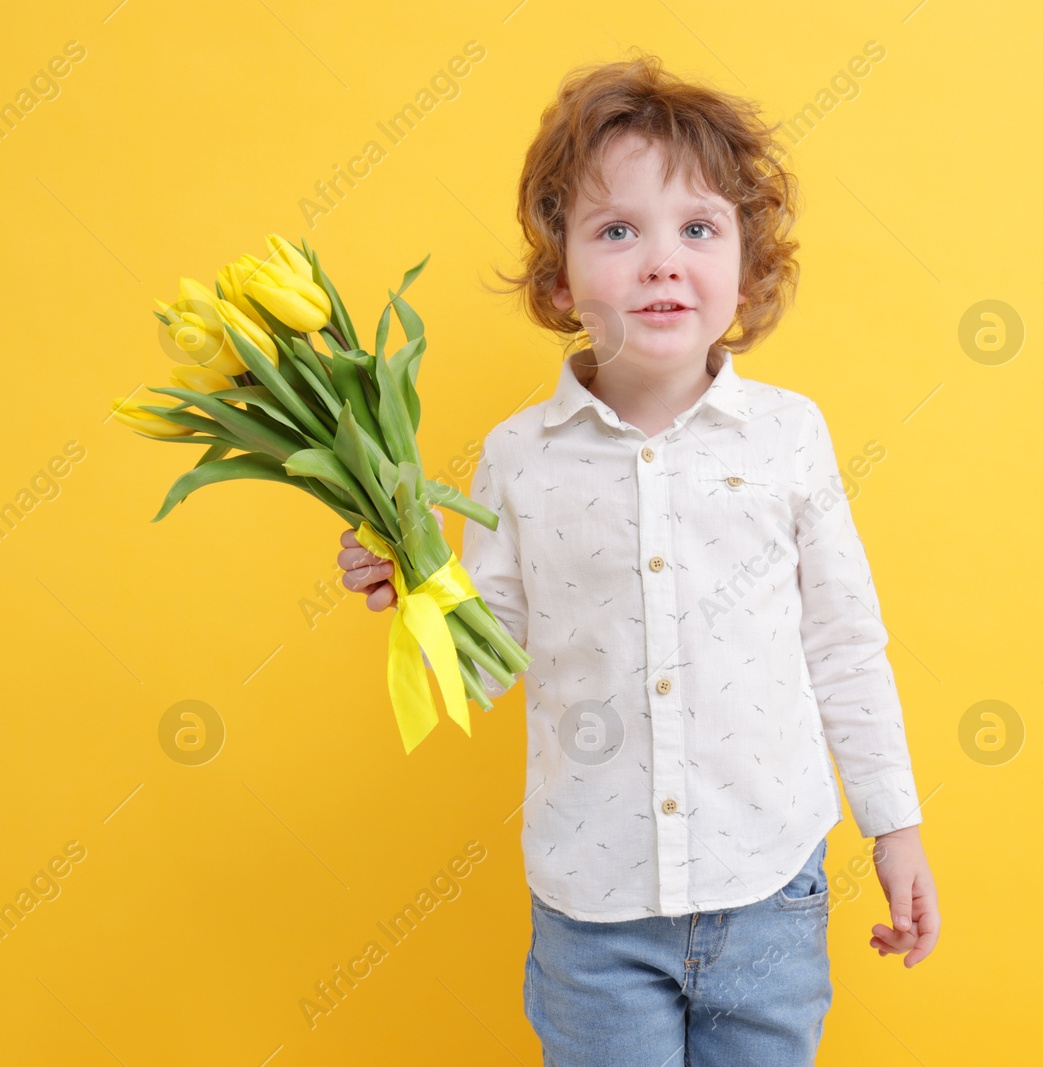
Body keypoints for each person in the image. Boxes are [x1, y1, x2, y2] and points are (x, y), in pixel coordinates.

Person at [336, 51, 939, 1065]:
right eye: (618, 230)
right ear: (559, 270)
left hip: (769, 892)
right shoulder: (517, 456)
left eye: (697, 229)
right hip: (595, 908)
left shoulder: (789, 436)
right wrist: (414, 584)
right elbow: (486, 658)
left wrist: (894, 823)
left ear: (746, 264)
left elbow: (844, 642)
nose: (662, 260)